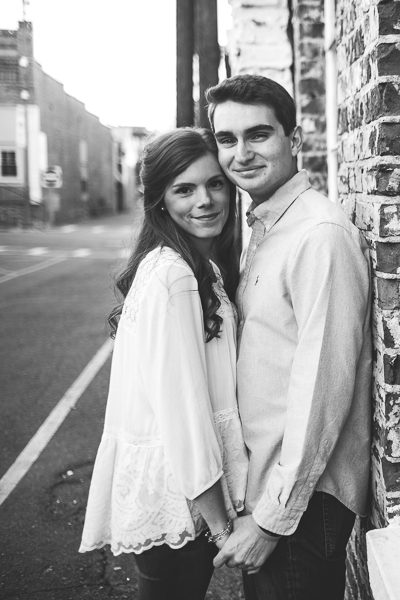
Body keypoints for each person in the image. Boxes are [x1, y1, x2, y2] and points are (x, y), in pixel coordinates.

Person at [205, 74, 373, 599]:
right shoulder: (268, 226)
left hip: (301, 503)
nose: (241, 154)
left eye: (258, 134)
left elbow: (323, 387)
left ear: (294, 139)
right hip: (271, 490)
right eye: (227, 139)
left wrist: (273, 520)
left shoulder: (318, 235)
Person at [79, 128, 247, 600]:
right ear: (160, 201)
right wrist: (221, 525)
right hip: (181, 499)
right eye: (184, 190)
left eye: (215, 184)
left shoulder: (186, 264)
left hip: (177, 493)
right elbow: (183, 414)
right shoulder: (175, 275)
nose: (205, 201)